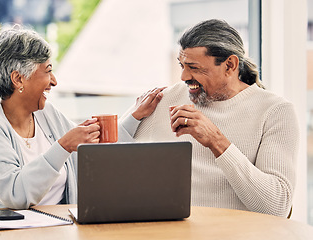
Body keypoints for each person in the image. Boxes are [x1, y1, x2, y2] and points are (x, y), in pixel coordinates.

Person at [0, 25, 163, 211]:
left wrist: (135, 116)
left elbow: (92, 151)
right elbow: (16, 195)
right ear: (18, 79)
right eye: (48, 70)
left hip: (59, 229)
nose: (54, 81)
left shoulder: (46, 114)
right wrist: (63, 146)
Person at [127, 19, 299, 217]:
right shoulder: (164, 99)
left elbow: (276, 207)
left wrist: (216, 141)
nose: (183, 76)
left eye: (194, 67)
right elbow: (108, 160)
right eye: (182, 65)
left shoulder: (275, 111)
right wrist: (132, 117)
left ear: (230, 65)